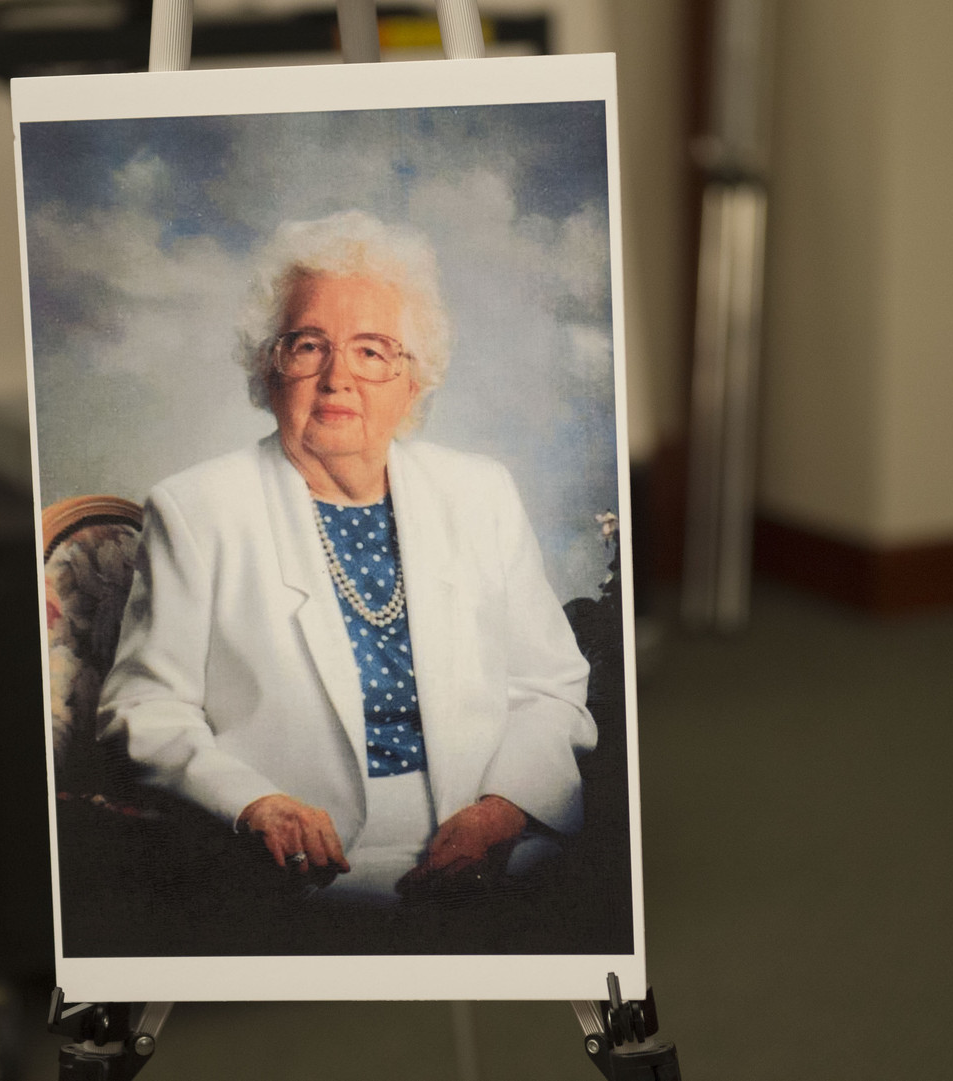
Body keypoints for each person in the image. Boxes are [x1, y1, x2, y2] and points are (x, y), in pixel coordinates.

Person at [96, 210, 595, 910]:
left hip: (489, 834)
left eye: (371, 351)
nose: (338, 377)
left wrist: (501, 811)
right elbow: (143, 710)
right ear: (269, 368)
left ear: (412, 382)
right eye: (307, 346)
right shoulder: (197, 510)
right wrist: (256, 804)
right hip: (296, 861)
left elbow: (549, 686)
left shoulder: (480, 492)